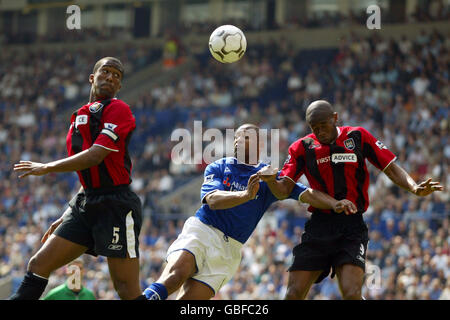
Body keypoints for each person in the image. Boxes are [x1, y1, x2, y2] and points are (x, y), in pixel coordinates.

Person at [143, 123, 357, 300]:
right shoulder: (218, 167)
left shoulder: (269, 178)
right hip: (202, 231)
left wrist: (334, 203)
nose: (238, 140)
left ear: (259, 144)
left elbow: (306, 193)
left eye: (245, 136)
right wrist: (245, 195)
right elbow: (213, 200)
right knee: (175, 275)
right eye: (236, 137)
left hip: (230, 250)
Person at [258, 100, 444, 300]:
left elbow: (389, 167)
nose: (320, 131)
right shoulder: (302, 147)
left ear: (335, 118)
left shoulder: (358, 136)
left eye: (324, 125)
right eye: (315, 128)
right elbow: (283, 190)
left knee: (352, 293)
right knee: (293, 294)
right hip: (320, 226)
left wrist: (414, 187)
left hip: (352, 226)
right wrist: (269, 180)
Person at [10, 57, 145, 300]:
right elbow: (89, 177)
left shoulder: (119, 109)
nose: (111, 77)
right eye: (106, 71)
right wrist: (66, 213)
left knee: (126, 290)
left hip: (116, 205)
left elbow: (95, 156)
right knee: (39, 264)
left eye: (117, 75)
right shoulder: (78, 117)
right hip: (86, 204)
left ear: (119, 86)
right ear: (92, 78)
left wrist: (47, 167)